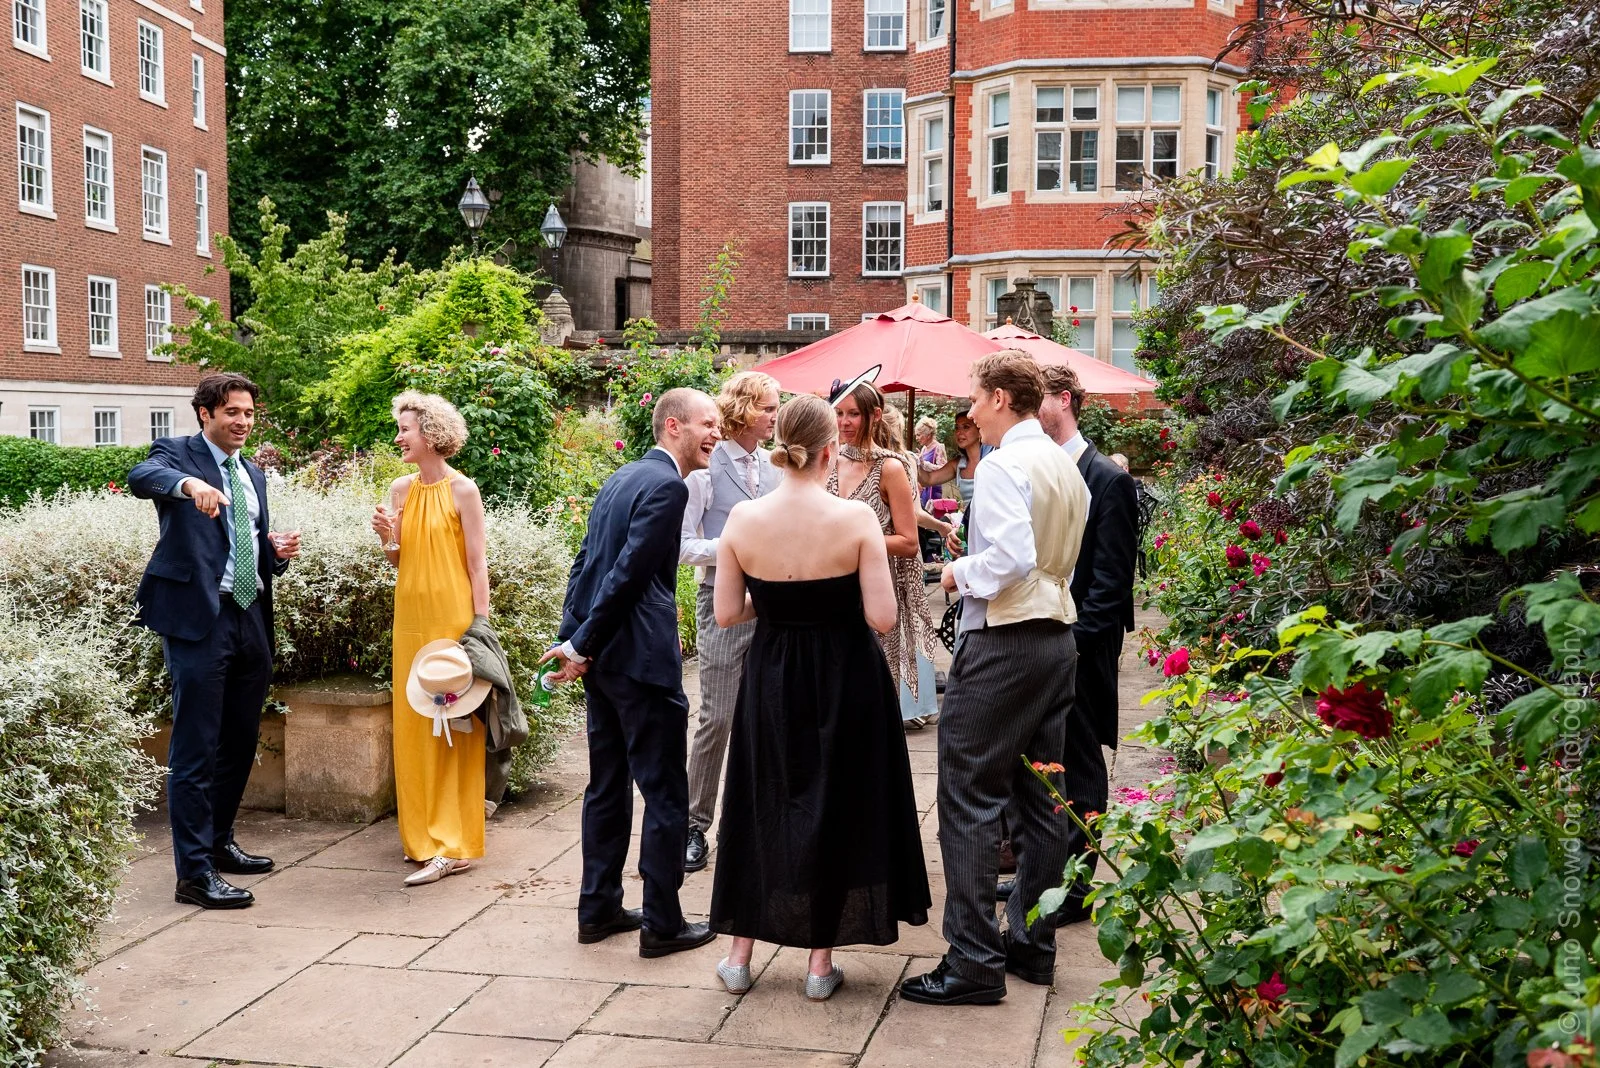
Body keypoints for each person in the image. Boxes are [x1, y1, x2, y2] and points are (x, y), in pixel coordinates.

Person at [708, 394, 930, 1000]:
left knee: (764, 797)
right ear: (831, 451)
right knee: (836, 799)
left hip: (772, 673)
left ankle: (738, 954)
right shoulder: (855, 520)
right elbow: (883, 618)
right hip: (844, 674)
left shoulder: (743, 521)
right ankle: (818, 964)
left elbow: (728, 613)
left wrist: (780, 603)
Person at [899, 350, 1091, 1007]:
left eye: (976, 399)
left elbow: (1011, 558)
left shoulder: (1007, 463)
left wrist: (956, 573)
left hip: (1006, 640)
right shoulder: (1066, 468)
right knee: (1041, 798)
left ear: (1002, 399)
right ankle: (1032, 948)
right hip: (1056, 639)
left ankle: (974, 962)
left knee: (966, 790)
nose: (970, 411)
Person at [542, 388, 722, 959]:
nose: (715, 434)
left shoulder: (622, 477)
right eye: (707, 424)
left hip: (607, 664)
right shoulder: (669, 486)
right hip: (642, 666)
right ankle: (663, 924)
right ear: (674, 426)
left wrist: (576, 643)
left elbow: (584, 565)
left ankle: (597, 910)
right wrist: (579, 643)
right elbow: (623, 573)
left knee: (607, 788)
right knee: (667, 794)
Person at [129, 373, 301, 910]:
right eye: (232, 412)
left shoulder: (252, 473)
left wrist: (276, 551)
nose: (243, 422)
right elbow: (142, 475)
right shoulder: (177, 454)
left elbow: (242, 543)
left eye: (249, 413)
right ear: (205, 413)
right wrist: (189, 486)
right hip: (199, 620)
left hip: (249, 614)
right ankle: (194, 875)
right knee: (196, 748)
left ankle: (219, 843)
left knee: (240, 740)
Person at [990, 363, 1137, 913]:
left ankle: (1075, 888)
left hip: (1080, 646)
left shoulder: (1107, 479)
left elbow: (1112, 584)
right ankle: (1039, 873)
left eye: (1042, 400)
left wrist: (1072, 642)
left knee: (1081, 763)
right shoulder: (1037, 469)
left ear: (1065, 400)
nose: (1032, 411)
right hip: (1041, 638)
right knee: (1039, 761)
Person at [370, 392, 493, 887]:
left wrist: (479, 627)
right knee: (416, 723)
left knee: (454, 728)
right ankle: (420, 838)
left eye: (406, 429)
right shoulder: (401, 489)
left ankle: (453, 844)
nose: (399, 437)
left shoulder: (464, 490)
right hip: (411, 620)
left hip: (451, 621)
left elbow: (477, 563)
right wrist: (386, 537)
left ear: (433, 434)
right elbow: (398, 561)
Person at [679, 371, 782, 874]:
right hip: (720, 601)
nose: (774, 416)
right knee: (717, 716)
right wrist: (734, 547)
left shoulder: (776, 465)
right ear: (743, 409)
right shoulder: (703, 467)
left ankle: (763, 822)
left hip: (774, 604)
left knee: (769, 715)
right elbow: (681, 546)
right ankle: (693, 824)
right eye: (767, 407)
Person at [828, 382, 938, 729]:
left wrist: (859, 539)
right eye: (840, 413)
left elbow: (908, 541)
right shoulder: (827, 460)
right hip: (832, 588)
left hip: (876, 590)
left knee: (872, 689)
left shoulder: (889, 468)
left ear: (874, 416)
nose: (844, 422)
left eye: (853, 414)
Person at [914, 416, 947, 510]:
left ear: (928, 435)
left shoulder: (938, 447)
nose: (917, 438)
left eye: (919, 435)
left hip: (934, 489)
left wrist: (924, 463)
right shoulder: (924, 449)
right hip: (924, 489)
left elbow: (943, 468)